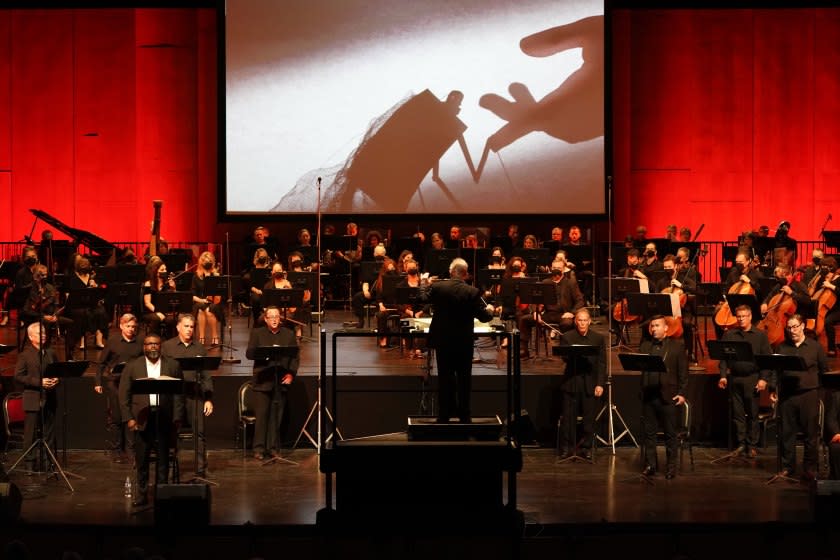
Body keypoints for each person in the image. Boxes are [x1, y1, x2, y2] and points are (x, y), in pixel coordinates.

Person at [418, 258, 494, 422]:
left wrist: (424, 282)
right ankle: (465, 416)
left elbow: (422, 298)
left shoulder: (438, 287)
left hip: (443, 341)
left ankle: (444, 415)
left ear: (451, 272)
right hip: (463, 342)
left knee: (445, 378)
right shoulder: (472, 292)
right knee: (464, 379)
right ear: (465, 274)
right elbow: (485, 318)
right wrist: (490, 309)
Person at [119, 334, 184, 507]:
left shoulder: (173, 364)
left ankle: (162, 494)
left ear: (160, 346)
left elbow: (179, 394)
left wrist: (177, 418)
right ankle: (141, 494)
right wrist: (129, 418)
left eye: (156, 344)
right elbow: (123, 394)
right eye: (149, 344)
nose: (153, 347)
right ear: (144, 347)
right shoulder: (133, 366)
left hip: (164, 417)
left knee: (163, 459)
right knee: (142, 459)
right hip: (141, 417)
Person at [770, 314, 827, 481]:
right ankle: (788, 467)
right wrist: (774, 389)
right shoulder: (782, 348)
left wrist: (821, 394)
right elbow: (776, 371)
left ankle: (810, 469)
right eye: (789, 327)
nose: (792, 330)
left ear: (803, 326)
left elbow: (824, 371)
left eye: (795, 326)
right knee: (787, 433)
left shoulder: (815, 347)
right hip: (788, 396)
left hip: (809, 395)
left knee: (811, 434)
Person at [716, 304, 772, 458]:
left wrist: (763, 379)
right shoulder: (730, 335)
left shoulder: (760, 336)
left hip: (752, 379)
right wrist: (722, 375)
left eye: (744, 316)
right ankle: (741, 443)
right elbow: (723, 358)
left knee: (752, 414)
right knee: (738, 414)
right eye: (738, 316)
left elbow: (767, 360)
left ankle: (752, 445)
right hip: (735, 378)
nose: (741, 319)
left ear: (750, 317)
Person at [162, 313, 213, 477]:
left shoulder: (199, 348)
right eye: (186, 326)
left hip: (195, 395)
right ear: (178, 327)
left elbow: (206, 376)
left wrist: (208, 399)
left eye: (192, 327)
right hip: (173, 396)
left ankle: (200, 469)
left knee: (199, 432)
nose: (189, 330)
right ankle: (170, 468)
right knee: (171, 433)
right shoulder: (168, 347)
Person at [245, 306, 299, 460]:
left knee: (276, 416)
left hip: (280, 380)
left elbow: (295, 357)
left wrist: (291, 374)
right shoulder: (257, 333)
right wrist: (264, 354)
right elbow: (249, 353)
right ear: (266, 319)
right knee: (262, 416)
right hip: (263, 380)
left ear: (280, 319)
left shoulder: (288, 335)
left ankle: (273, 448)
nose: (274, 319)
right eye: (271, 316)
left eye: (277, 316)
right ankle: (259, 449)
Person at [638, 315, 688, 479]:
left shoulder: (677, 346)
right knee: (649, 433)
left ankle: (671, 467)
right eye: (652, 326)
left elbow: (683, 373)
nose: (653, 329)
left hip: (668, 396)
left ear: (666, 328)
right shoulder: (645, 346)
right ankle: (651, 465)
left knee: (670, 434)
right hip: (649, 395)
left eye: (657, 325)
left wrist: (681, 393)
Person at [557, 309, 605, 459]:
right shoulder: (567, 337)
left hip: (590, 383)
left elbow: (602, 363)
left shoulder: (598, 338)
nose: (582, 323)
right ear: (575, 321)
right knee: (568, 418)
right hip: (572, 382)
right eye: (580, 320)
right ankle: (567, 448)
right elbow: (564, 357)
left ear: (589, 321)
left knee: (589, 419)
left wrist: (600, 384)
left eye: (585, 320)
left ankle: (587, 447)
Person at [94, 313, 143, 463]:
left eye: (133, 327)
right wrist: (97, 382)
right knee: (116, 417)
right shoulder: (113, 341)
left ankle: (131, 450)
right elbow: (102, 363)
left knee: (131, 416)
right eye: (128, 326)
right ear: (121, 326)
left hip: (133, 384)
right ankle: (116, 450)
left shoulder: (140, 342)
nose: (131, 329)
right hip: (115, 383)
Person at [519, 256, 585, 358]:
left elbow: (580, 300)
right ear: (550, 268)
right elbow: (535, 301)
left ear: (563, 269)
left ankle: (565, 351)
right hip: (549, 314)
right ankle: (524, 350)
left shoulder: (570, 282)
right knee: (524, 320)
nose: (556, 270)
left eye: (558, 268)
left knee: (567, 324)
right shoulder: (546, 282)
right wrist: (535, 312)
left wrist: (572, 313)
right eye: (554, 268)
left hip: (564, 315)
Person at [15, 322, 60, 472]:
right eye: (40, 333)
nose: (44, 335)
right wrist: (38, 382)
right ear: (30, 336)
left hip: (50, 396)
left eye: (44, 332)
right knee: (31, 433)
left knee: (49, 431)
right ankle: (30, 462)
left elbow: (57, 370)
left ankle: (49, 462)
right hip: (33, 397)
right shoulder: (25, 355)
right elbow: (19, 376)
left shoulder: (50, 352)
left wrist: (56, 379)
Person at [191, 251, 223, 346]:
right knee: (201, 309)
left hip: (214, 302)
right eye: (205, 260)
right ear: (201, 262)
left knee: (209, 309)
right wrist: (202, 300)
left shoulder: (215, 275)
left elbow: (219, 294)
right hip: (200, 301)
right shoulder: (196, 276)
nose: (207, 262)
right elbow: (192, 295)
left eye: (209, 260)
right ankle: (202, 337)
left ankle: (214, 336)